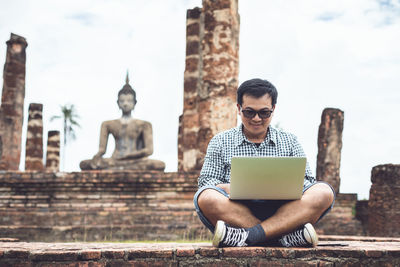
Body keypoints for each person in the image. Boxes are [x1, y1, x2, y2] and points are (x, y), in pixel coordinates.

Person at [193, 78, 335, 248]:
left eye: (264, 112)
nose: (257, 118)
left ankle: (250, 236)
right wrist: (228, 187)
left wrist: (281, 189)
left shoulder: (290, 141)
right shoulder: (220, 141)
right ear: (239, 109)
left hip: (285, 209)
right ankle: (283, 238)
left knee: (324, 192)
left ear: (273, 109)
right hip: (236, 209)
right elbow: (206, 182)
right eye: (249, 112)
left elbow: (308, 182)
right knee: (206, 198)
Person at [79, 75, 165, 171]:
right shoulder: (108, 124)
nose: (125, 103)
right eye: (122, 101)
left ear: (134, 103)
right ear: (118, 103)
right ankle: (120, 167)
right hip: (115, 160)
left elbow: (149, 150)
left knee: (159, 165)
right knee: (84, 164)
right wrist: (97, 156)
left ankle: (121, 167)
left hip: (136, 160)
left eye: (129, 101)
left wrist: (128, 156)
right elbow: (102, 150)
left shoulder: (144, 125)